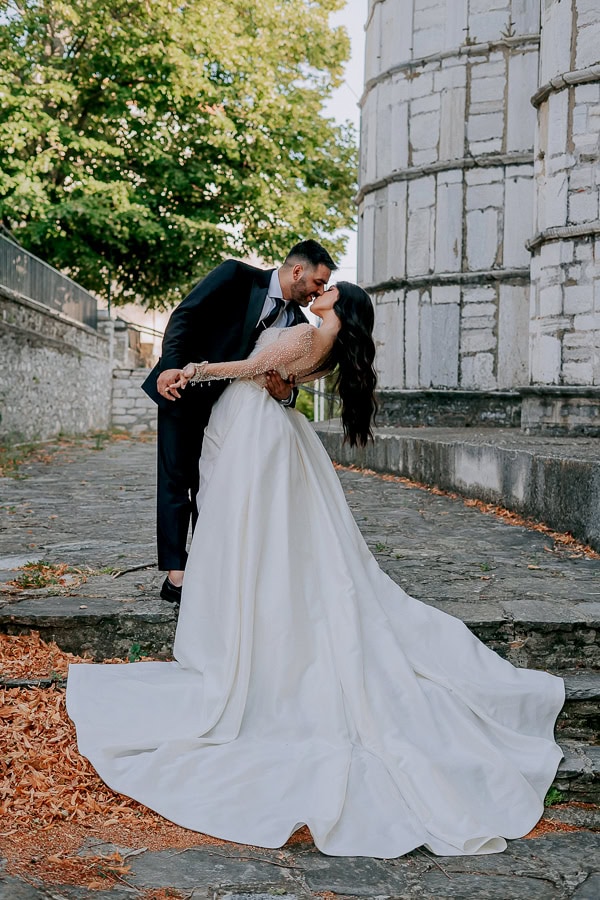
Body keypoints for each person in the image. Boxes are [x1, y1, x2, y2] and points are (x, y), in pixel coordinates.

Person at [67, 283, 564, 859]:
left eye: (330, 288)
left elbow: (254, 366)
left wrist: (192, 370)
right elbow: (279, 380)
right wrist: (272, 386)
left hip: (259, 432)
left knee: (256, 527)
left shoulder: (309, 331)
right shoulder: (324, 341)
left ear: (336, 304)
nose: (321, 290)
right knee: (276, 535)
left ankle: (244, 612)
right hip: (267, 426)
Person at [141, 239, 337, 604]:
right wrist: (171, 366)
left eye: (324, 288)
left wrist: (284, 396)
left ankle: (209, 566)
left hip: (234, 412)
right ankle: (176, 575)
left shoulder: (297, 322)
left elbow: (288, 382)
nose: (319, 292)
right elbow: (185, 314)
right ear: (298, 271)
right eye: (317, 283)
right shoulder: (235, 275)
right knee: (175, 479)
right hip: (183, 389)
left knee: (215, 484)